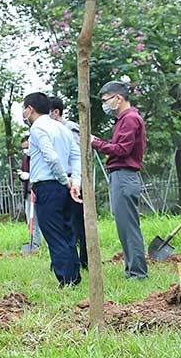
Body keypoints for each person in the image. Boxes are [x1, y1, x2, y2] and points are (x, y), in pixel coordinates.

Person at [21, 92, 82, 287]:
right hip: (65, 186)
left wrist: (65, 180)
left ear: (30, 108)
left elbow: (52, 157)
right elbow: (76, 155)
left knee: (53, 233)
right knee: (68, 232)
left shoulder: (37, 129)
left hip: (48, 185)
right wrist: (75, 181)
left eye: (24, 108)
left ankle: (66, 279)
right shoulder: (61, 128)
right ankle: (74, 275)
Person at [93, 80, 148, 279]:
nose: (105, 104)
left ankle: (138, 273)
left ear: (118, 98)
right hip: (121, 176)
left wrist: (96, 143)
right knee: (124, 227)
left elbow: (122, 149)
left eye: (106, 100)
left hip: (124, 175)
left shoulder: (130, 119)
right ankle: (132, 270)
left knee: (128, 227)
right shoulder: (124, 119)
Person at [49, 97, 87, 269]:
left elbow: (80, 155)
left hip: (75, 180)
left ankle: (84, 260)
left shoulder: (70, 128)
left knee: (78, 222)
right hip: (58, 180)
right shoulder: (49, 130)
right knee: (60, 223)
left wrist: (77, 180)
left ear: (56, 112)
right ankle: (63, 261)